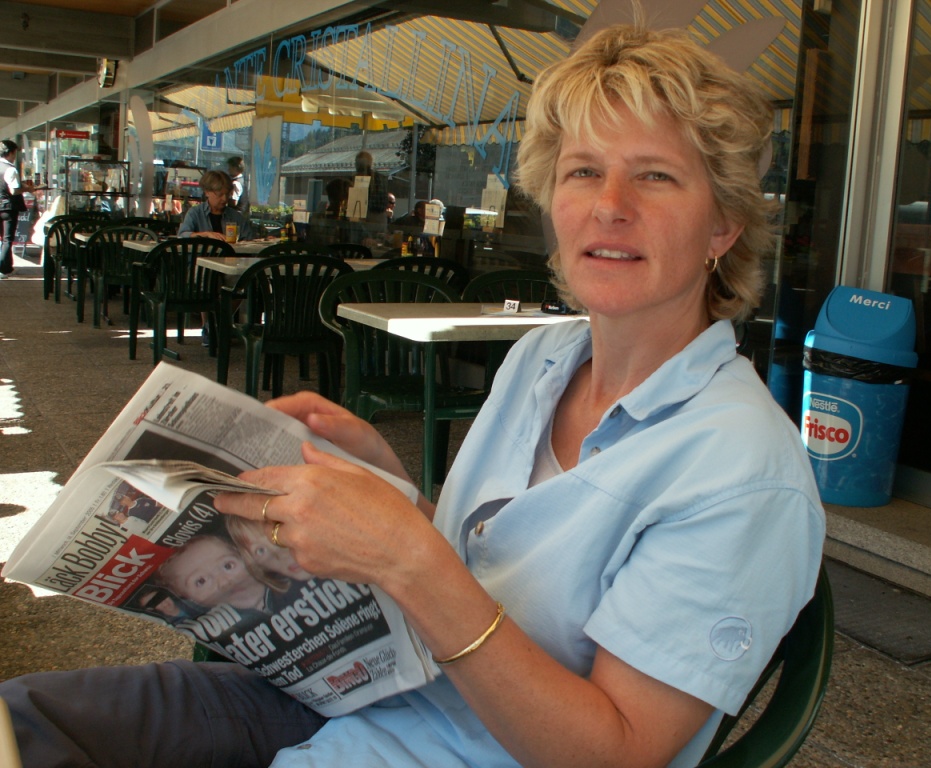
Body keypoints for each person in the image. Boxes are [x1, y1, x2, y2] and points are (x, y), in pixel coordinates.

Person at [0, 23, 825, 768]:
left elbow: (616, 753)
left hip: (437, 745)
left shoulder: (740, 471)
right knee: (25, 719)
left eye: (656, 176)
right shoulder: (542, 359)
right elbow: (492, 579)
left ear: (723, 226)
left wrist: (407, 555)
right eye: (583, 172)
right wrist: (385, 483)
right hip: (353, 701)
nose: (610, 207)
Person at [177, 169, 253, 242]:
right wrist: (205, 235)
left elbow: (249, 240)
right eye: (220, 194)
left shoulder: (235, 217)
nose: (224, 199)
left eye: (227, 194)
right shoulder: (195, 213)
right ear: (207, 192)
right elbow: (182, 235)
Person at [0, 139, 32, 278]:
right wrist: (28, 188)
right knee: (7, 239)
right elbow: (14, 190)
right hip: (8, 207)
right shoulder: (10, 169)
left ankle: (7, 267)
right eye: (15, 153)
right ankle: (3, 269)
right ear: (11, 153)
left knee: (1, 239)